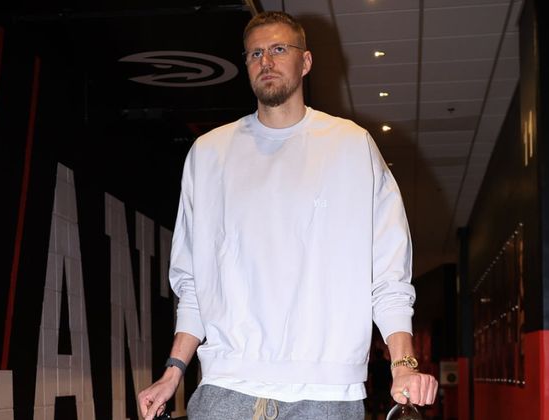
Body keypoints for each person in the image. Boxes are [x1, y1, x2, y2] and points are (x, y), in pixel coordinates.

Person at [138, 11, 438, 419]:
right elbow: (194, 282)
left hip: (327, 393)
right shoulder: (208, 155)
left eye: (279, 49)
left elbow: (388, 274)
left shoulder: (352, 146)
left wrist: (403, 364)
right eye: (255, 54)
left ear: (306, 61)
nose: (266, 61)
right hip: (226, 388)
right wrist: (173, 370)